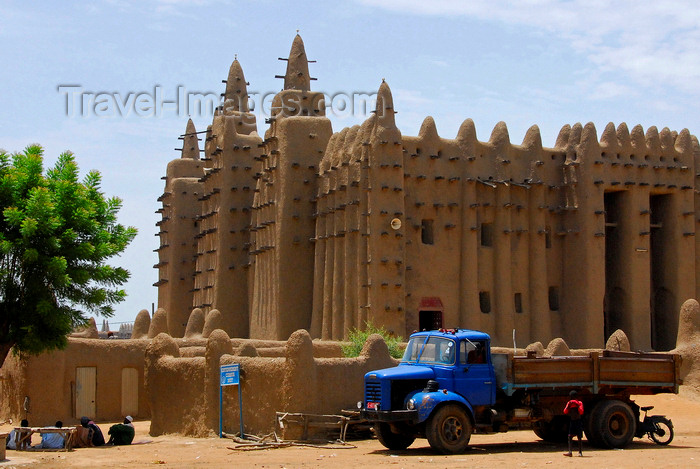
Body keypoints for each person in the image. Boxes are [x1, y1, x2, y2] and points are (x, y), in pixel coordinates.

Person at [563, 390, 584, 457]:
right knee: (570, 436)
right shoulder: (569, 403)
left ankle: (579, 452)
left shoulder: (579, 403)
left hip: (577, 421)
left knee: (579, 437)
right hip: (573, 421)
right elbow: (565, 411)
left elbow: (581, 412)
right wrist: (569, 405)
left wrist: (577, 405)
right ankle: (571, 452)